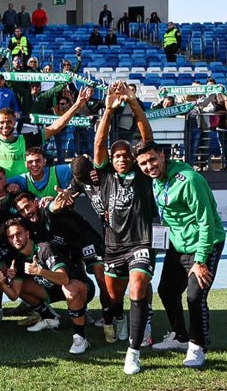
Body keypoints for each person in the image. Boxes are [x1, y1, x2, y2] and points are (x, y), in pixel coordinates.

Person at [134, 140, 225, 369]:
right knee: (167, 290)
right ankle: (180, 337)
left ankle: (198, 346)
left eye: (152, 159)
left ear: (163, 156)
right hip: (178, 244)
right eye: (143, 163)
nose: (149, 166)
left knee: (195, 296)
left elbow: (206, 223)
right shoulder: (156, 180)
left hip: (205, 243)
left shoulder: (190, 180)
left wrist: (201, 260)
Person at [93, 81, 157, 375]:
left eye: (124, 155)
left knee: (138, 286)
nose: (120, 158)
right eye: (116, 155)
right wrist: (107, 110)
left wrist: (133, 102)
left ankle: (133, 351)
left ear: (132, 158)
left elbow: (147, 136)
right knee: (114, 296)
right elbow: (99, 143)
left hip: (140, 242)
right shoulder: (105, 174)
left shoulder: (142, 174)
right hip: (113, 245)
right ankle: (121, 317)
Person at [0, 217, 94, 354]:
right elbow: (14, 295)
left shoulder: (44, 249)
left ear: (27, 234)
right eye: (11, 236)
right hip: (54, 290)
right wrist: (3, 283)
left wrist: (39, 271)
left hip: (80, 287)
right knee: (23, 285)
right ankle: (49, 317)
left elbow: (64, 279)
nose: (15, 239)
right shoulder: (18, 260)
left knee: (70, 289)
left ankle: (80, 337)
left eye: (18, 234)